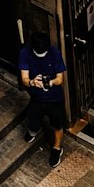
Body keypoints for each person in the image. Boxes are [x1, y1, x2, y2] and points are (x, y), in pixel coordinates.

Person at [19, 29, 66, 168]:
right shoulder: (25, 53)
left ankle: (57, 148)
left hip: (54, 99)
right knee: (33, 118)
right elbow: (24, 78)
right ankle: (33, 130)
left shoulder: (54, 53)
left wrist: (49, 82)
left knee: (58, 125)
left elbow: (59, 79)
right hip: (36, 97)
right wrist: (33, 82)